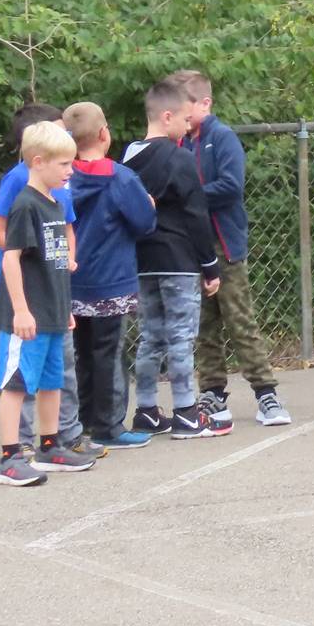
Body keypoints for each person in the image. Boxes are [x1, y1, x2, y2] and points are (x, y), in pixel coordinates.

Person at [176, 70, 290, 430]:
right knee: (203, 325)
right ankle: (212, 393)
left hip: (223, 246)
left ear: (204, 103)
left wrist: (187, 196)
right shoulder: (179, 142)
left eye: (183, 107)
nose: (177, 114)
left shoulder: (221, 137)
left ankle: (266, 393)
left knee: (239, 320)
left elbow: (229, 186)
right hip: (190, 248)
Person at [0, 121, 96, 485]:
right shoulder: (25, 205)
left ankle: (50, 447)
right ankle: (9, 458)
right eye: (64, 164)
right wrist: (21, 310)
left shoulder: (53, 203)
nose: (70, 171)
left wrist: (63, 307)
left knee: (52, 382)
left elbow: (54, 265)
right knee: (17, 384)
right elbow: (10, 258)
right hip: (28, 317)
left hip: (52, 312)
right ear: (38, 161)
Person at [124, 79, 225, 438]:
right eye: (184, 119)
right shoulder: (180, 158)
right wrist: (209, 266)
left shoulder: (128, 157)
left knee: (151, 336)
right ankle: (186, 411)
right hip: (179, 262)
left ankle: (147, 409)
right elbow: (195, 215)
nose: (188, 126)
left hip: (143, 261)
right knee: (181, 337)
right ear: (167, 117)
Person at [60, 103, 159, 451]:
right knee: (109, 353)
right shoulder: (118, 177)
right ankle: (109, 425)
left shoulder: (62, 176)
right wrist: (148, 204)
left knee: (80, 354)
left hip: (71, 281)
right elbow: (144, 223)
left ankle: (81, 420)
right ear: (104, 134)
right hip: (111, 281)